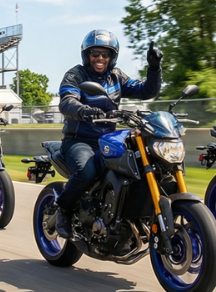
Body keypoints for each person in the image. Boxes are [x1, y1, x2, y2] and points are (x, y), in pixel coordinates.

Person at [55, 30, 162, 238]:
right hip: (79, 140)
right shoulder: (75, 75)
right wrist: (83, 110)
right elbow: (67, 101)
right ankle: (63, 209)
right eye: (95, 53)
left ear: (112, 57)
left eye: (106, 54)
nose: (100, 59)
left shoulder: (117, 77)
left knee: (138, 163)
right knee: (86, 171)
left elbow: (146, 91)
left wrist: (154, 68)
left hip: (108, 140)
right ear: (87, 55)